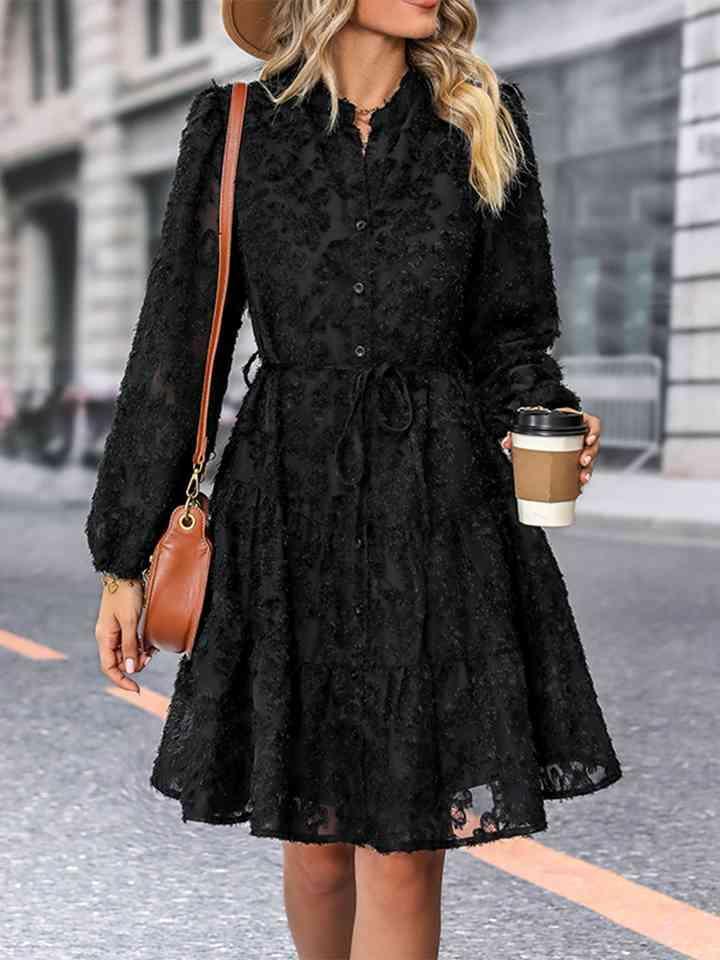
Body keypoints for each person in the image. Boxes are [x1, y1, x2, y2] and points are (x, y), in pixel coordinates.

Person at [85, 1, 623, 957]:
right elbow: (176, 346)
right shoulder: (237, 125)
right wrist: (125, 559)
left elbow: (514, 336)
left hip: (442, 501)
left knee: (408, 842)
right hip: (292, 502)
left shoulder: (483, 119)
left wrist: (548, 419)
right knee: (318, 836)